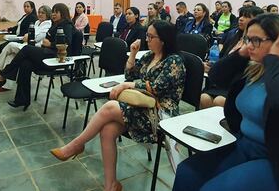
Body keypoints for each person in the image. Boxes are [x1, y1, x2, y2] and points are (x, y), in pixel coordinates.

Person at [174, 14, 279, 191]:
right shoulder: (257, 68)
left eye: (256, 40)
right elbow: (216, 76)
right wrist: (241, 54)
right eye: (247, 39)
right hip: (244, 145)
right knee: (187, 172)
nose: (249, 45)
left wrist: (275, 61)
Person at [50, 21, 185, 191]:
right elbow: (129, 75)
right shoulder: (149, 56)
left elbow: (157, 88)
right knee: (107, 131)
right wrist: (132, 54)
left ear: (164, 40)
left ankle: (76, 145)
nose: (147, 39)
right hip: (142, 108)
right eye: (147, 36)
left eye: (151, 37)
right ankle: (111, 185)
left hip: (161, 115)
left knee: (110, 107)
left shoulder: (174, 61)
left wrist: (127, 86)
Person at [0, 3, 76, 110]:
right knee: (25, 64)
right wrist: (46, 43)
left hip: (56, 58)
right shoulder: (55, 24)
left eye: (56, 12)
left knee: (26, 49)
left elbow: (67, 42)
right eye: (53, 12)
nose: (53, 14)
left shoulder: (67, 25)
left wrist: (50, 44)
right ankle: (22, 100)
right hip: (47, 52)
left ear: (63, 13)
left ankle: (3, 74)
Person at [0, 5, 52, 71]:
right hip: (26, 43)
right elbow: (29, 32)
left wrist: (28, 36)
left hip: (35, 47)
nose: (40, 14)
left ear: (48, 14)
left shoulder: (48, 24)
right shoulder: (37, 22)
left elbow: (38, 37)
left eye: (42, 13)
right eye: (39, 12)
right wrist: (27, 35)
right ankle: (2, 72)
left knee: (10, 45)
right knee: (11, 55)